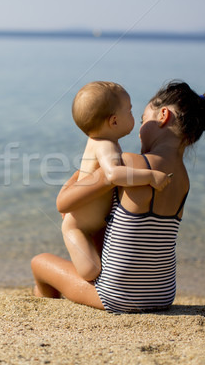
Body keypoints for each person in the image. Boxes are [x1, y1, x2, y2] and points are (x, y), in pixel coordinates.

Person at [32, 80, 205, 312]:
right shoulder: (183, 179)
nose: (138, 129)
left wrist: (78, 179)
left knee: (40, 263)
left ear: (163, 116)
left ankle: (45, 310)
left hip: (117, 296)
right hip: (163, 295)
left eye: (144, 119)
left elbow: (64, 203)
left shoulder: (129, 165)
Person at [62, 81, 171, 282]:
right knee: (91, 271)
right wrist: (150, 176)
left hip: (94, 221)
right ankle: (65, 278)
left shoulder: (101, 141)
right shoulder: (105, 146)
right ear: (114, 121)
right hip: (78, 226)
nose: (133, 116)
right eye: (129, 112)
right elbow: (113, 175)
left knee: (104, 265)